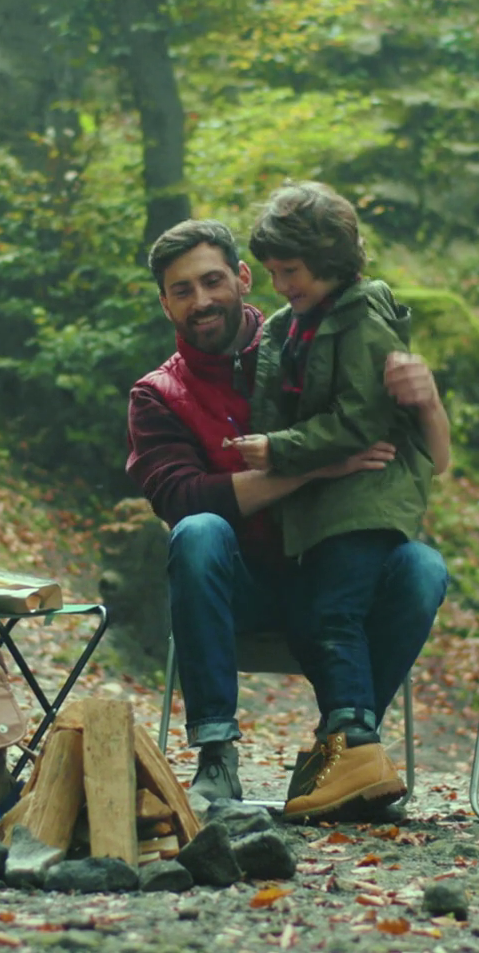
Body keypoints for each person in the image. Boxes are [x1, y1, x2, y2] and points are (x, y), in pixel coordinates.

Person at [125, 217, 451, 813]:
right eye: (182, 290)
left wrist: (425, 398)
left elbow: (426, 453)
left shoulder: (308, 343)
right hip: (241, 585)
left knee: (422, 567)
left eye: (212, 281)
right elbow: (184, 500)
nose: (201, 301)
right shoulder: (157, 395)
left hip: (337, 567)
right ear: (165, 304)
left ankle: (343, 754)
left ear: (244, 278)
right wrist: (314, 467)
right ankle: (216, 757)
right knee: (198, 532)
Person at [224, 181, 440, 821]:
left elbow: (361, 420)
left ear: (329, 260)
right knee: (320, 615)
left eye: (290, 271)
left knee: (333, 616)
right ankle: (347, 760)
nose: (279, 284)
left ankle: (353, 746)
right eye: (272, 272)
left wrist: (280, 449)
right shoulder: (291, 327)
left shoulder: (362, 318)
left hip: (366, 503)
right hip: (321, 512)